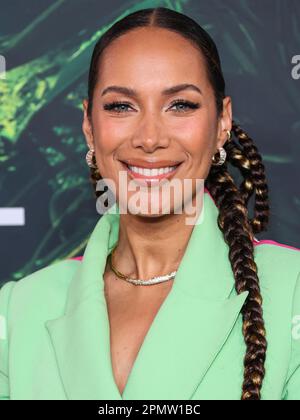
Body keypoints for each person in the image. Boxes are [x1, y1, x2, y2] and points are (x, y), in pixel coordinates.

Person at [0, 7, 299, 401]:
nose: (150, 138)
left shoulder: (292, 289)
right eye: (122, 106)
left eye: (181, 105)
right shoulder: (19, 309)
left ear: (222, 123)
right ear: (89, 126)